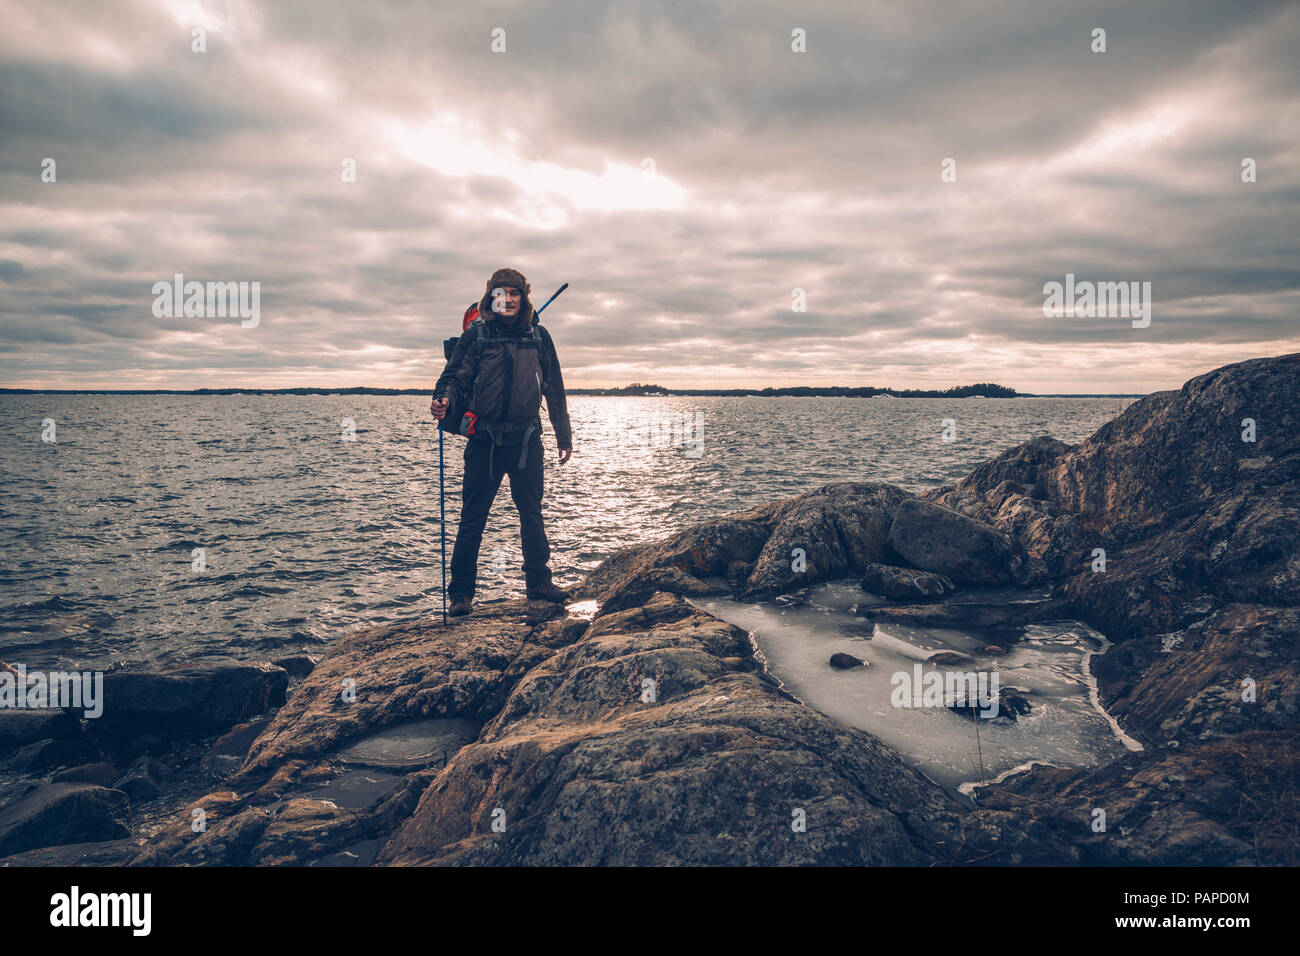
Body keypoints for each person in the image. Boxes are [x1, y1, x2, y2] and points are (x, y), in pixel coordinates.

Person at [430, 268, 573, 615]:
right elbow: (454, 378)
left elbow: (554, 386)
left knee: (532, 515)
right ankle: (461, 594)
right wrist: (443, 399)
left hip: (527, 440)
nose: (507, 299)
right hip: (485, 441)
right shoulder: (477, 335)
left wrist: (563, 433)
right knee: (472, 519)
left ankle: (539, 583)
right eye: (500, 293)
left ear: (523, 298)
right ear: (490, 297)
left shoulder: (539, 335)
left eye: (514, 293)